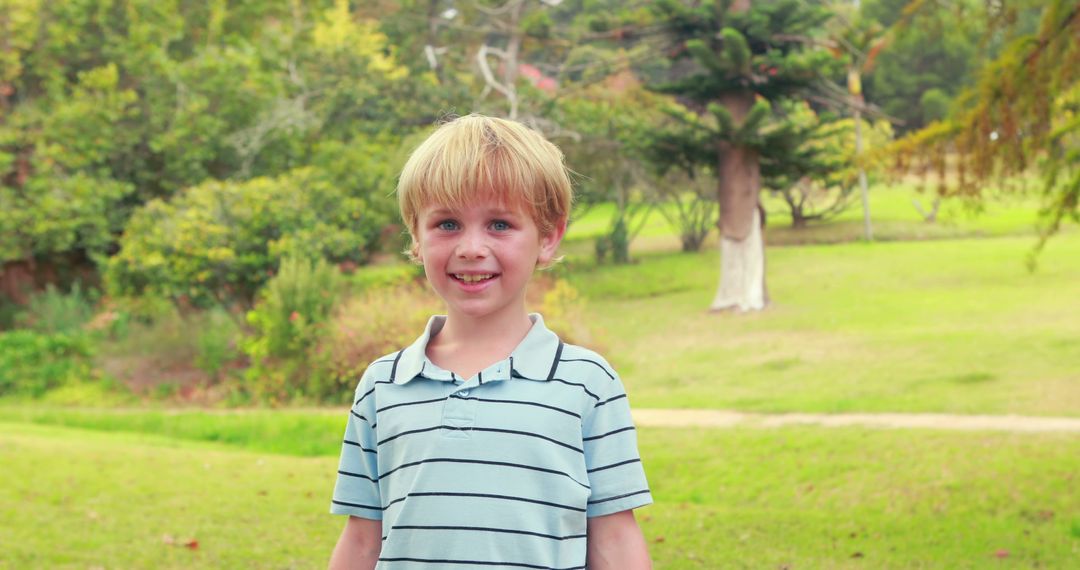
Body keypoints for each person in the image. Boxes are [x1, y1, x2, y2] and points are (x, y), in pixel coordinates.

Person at [328, 114, 652, 569]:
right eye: (447, 224)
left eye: (499, 224)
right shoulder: (383, 386)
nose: (471, 248)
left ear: (548, 236)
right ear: (415, 237)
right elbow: (362, 540)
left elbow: (615, 540)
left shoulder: (587, 384)